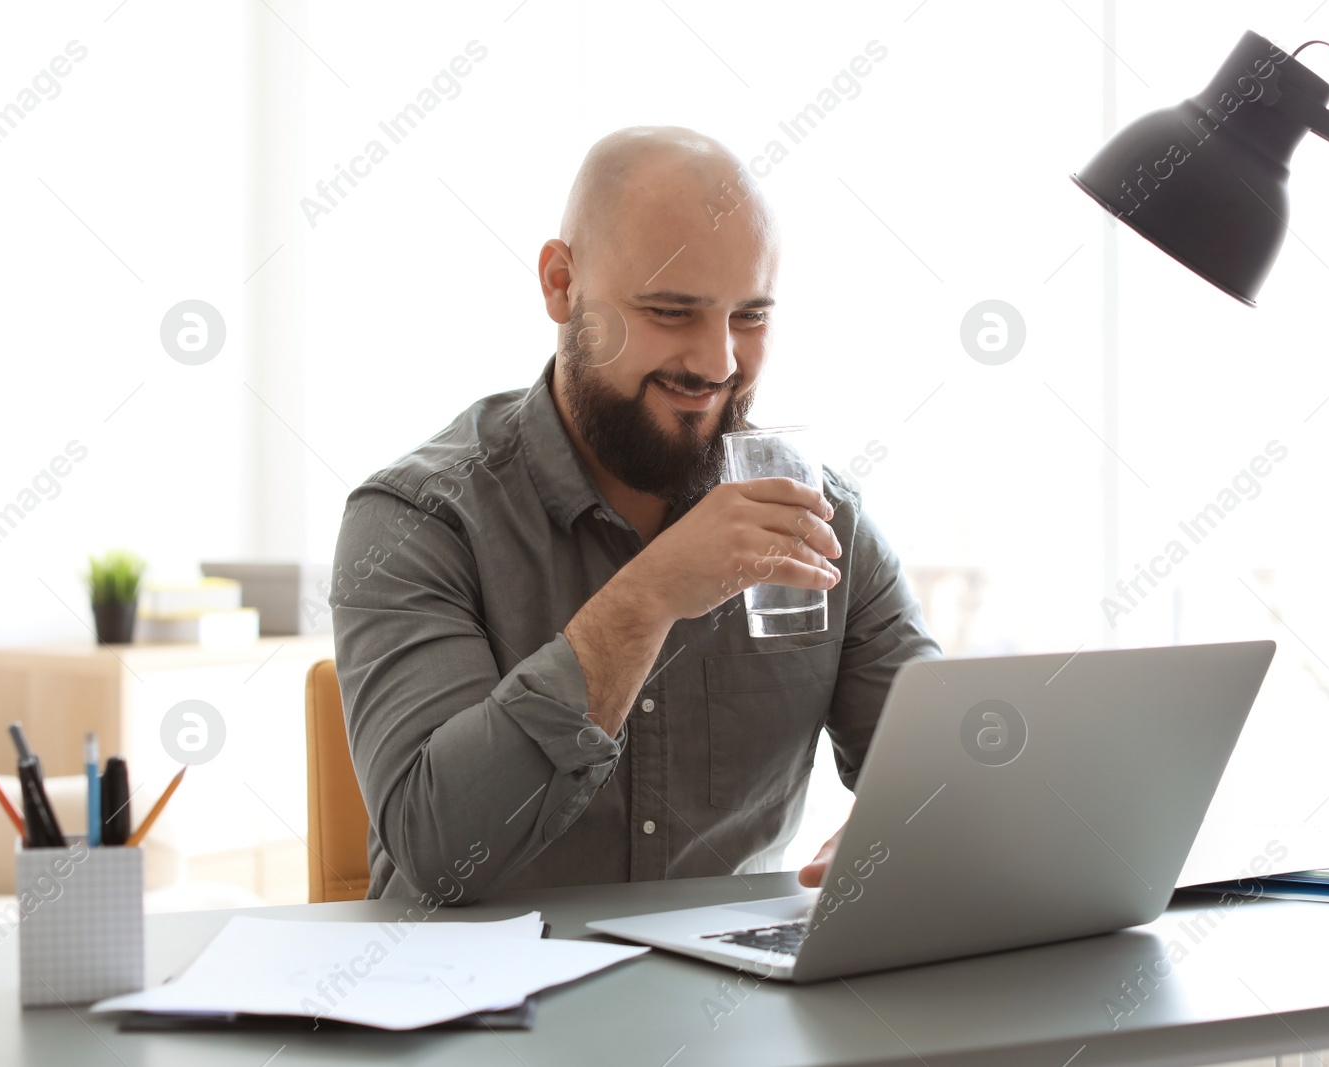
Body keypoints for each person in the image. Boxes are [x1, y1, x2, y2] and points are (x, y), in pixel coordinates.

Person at [330, 125, 939, 903]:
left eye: (749, 317)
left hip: (729, 1007)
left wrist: (915, 817)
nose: (718, 362)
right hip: (478, 1006)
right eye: (671, 311)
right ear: (560, 283)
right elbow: (444, 851)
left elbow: (949, 764)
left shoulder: (819, 518)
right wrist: (648, 597)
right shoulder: (417, 519)